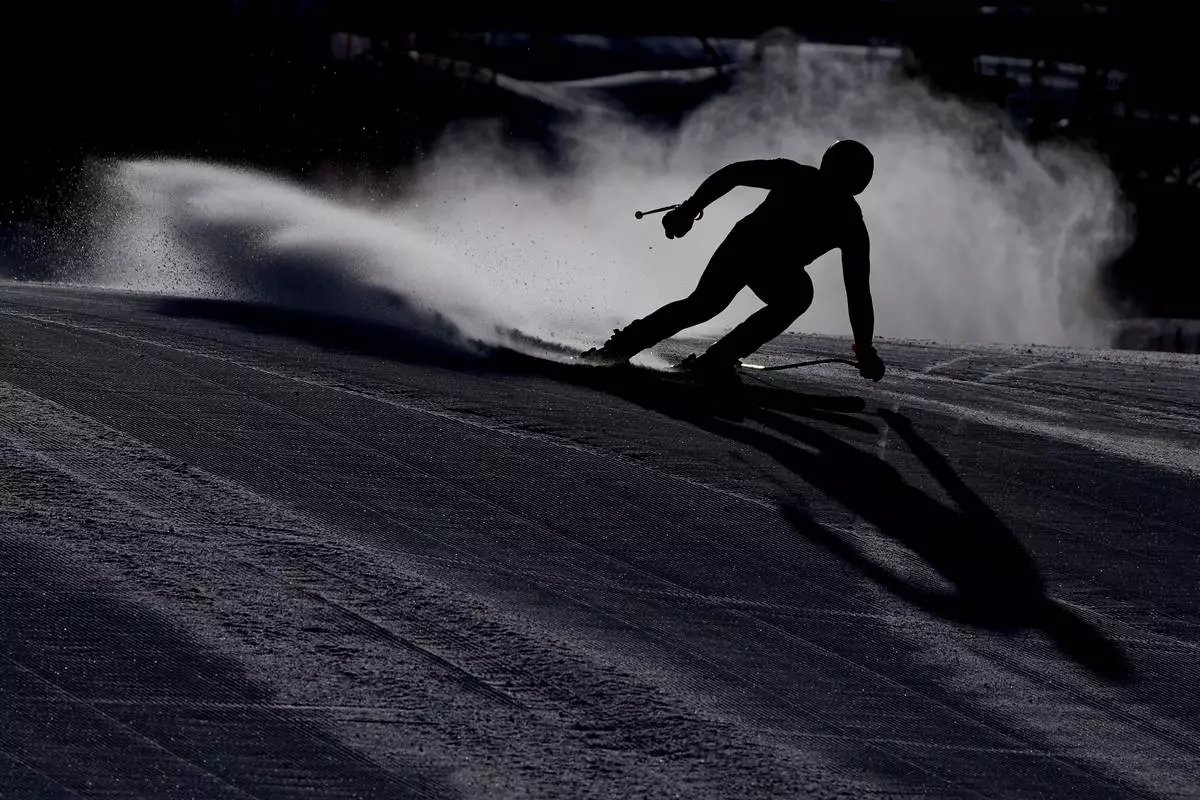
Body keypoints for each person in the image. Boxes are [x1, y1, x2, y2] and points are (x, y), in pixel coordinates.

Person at [581, 139, 886, 384]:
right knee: (712, 304)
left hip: (757, 254)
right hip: (751, 250)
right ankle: (702, 358)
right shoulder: (842, 216)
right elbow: (857, 292)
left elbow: (735, 172)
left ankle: (698, 358)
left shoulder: (832, 207)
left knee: (708, 304)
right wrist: (689, 209)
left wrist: (690, 209)